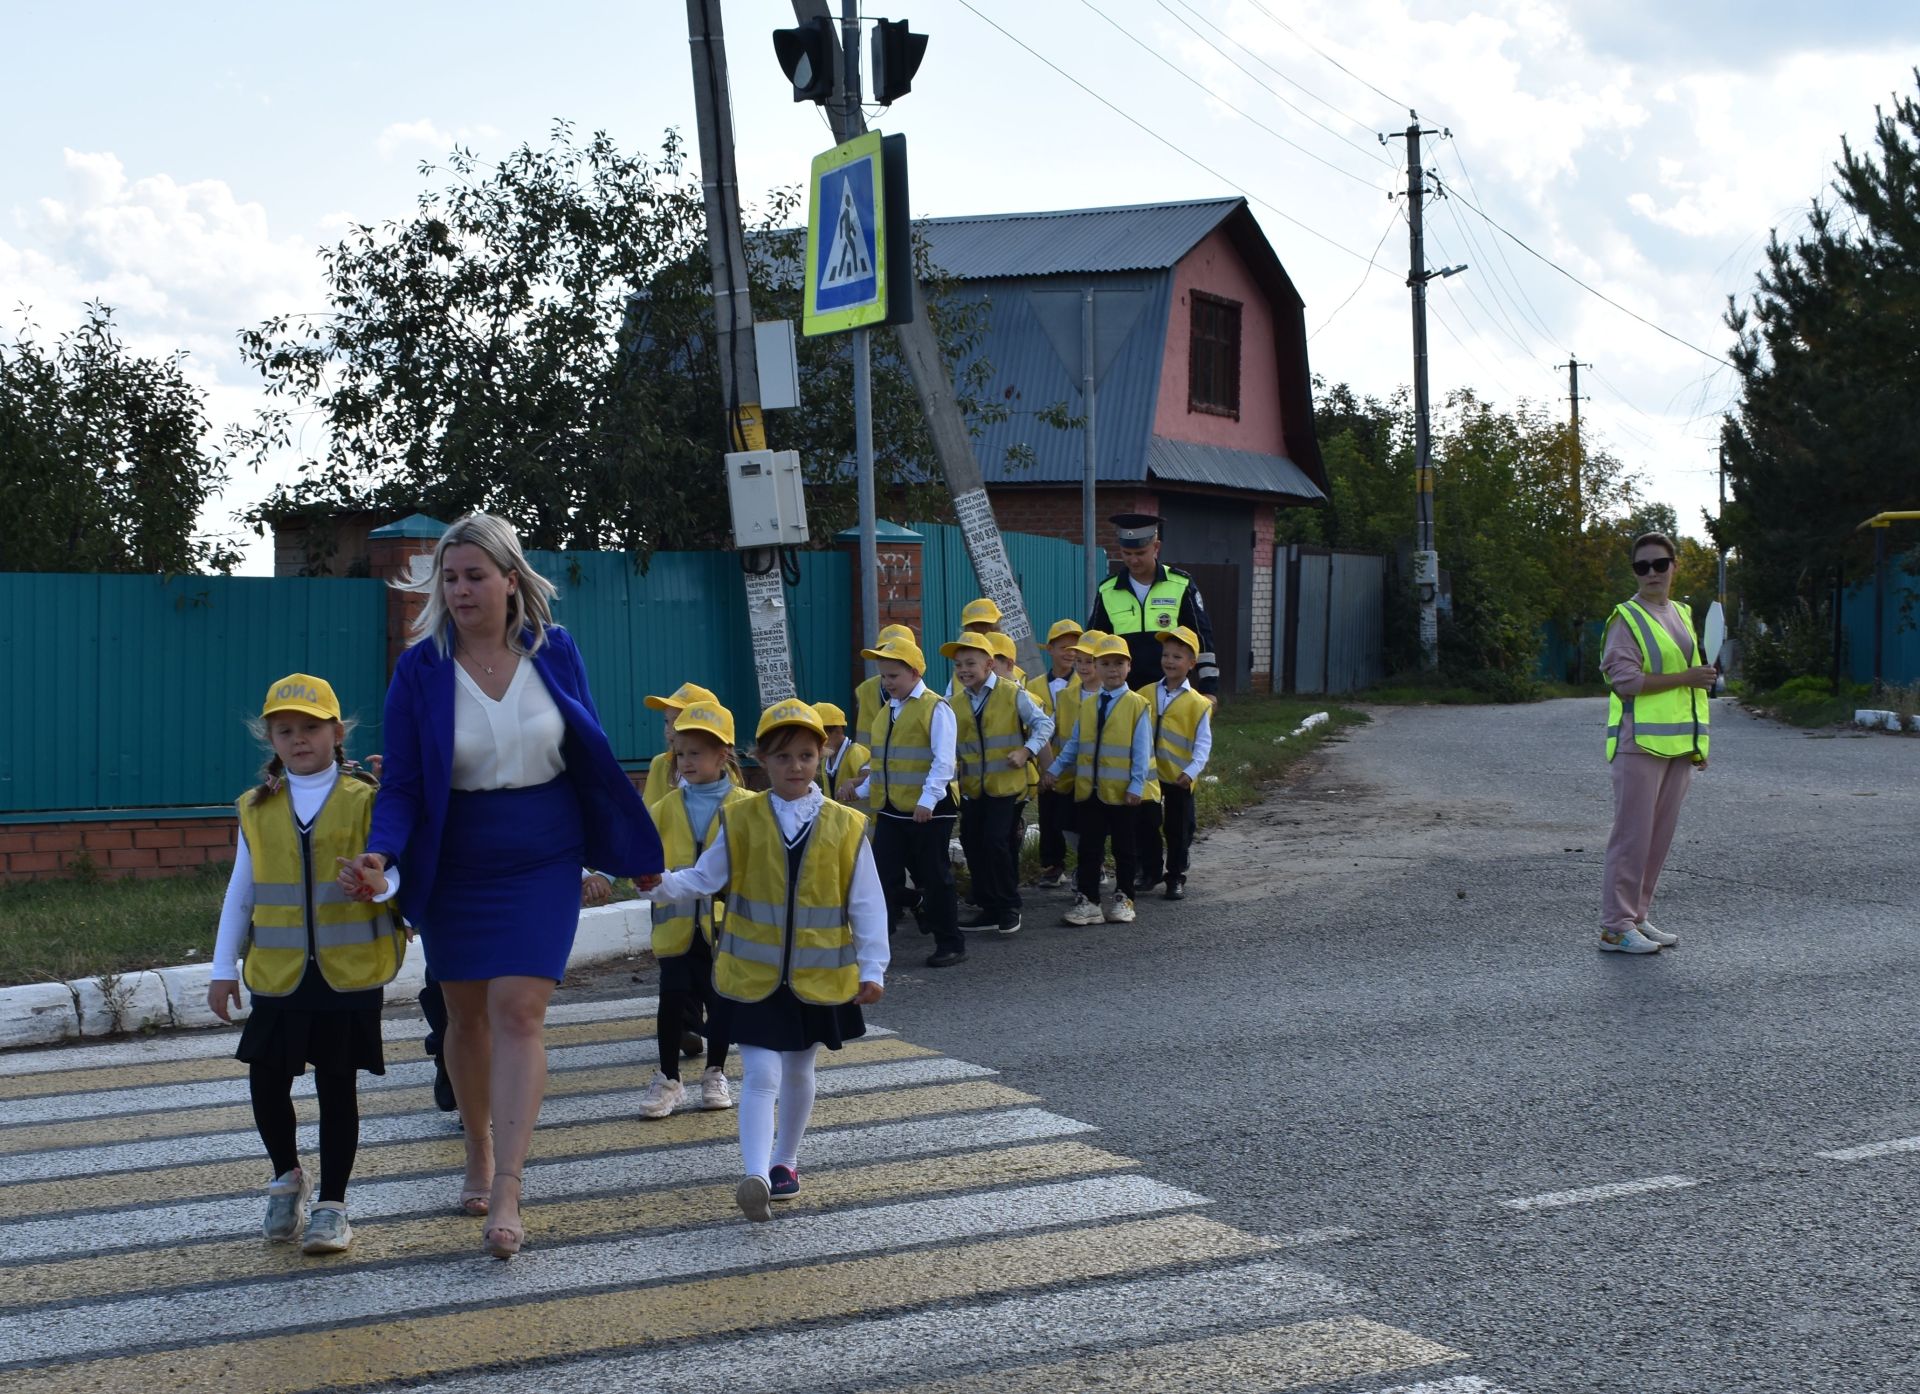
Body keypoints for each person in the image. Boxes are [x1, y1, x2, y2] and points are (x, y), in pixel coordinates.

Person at [340, 512, 664, 1259]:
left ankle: (509, 1186)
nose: (459, 590)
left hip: (543, 852)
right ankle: (477, 1148)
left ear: (510, 580)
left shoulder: (557, 651)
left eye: (474, 576)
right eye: (448, 579)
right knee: (465, 1017)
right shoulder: (419, 669)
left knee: (519, 1009)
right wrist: (382, 856)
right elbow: (406, 787)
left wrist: (610, 852)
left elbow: (588, 753)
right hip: (456, 859)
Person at [636, 700, 888, 1221]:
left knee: (798, 1070)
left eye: (805, 755)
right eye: (781, 757)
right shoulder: (742, 816)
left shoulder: (846, 826)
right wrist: (657, 885)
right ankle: (753, 1174)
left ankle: (785, 1163)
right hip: (750, 975)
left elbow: (866, 902)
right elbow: (704, 878)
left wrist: (873, 968)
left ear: (821, 756)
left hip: (816, 975)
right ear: (759, 760)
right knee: (760, 1074)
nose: (794, 766)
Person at [208, 674, 408, 1256]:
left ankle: (334, 1206)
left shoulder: (366, 799)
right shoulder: (257, 807)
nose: (299, 739)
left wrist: (376, 886)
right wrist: (223, 967)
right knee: (266, 1078)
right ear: (269, 737)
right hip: (278, 971)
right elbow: (239, 893)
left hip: (348, 972)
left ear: (337, 733)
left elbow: (397, 876)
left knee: (336, 1087)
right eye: (285, 729)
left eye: (312, 728)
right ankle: (287, 1177)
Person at [1599, 531, 1713, 954]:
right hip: (1638, 745)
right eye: (1641, 566)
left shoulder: (1681, 613)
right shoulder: (1625, 618)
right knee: (1632, 837)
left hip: (1677, 747)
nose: (1651, 573)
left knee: (1658, 837)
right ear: (1635, 572)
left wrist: (1697, 744)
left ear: (1673, 567)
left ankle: (1637, 918)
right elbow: (1623, 681)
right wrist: (1688, 676)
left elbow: (1693, 691)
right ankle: (1614, 927)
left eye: (1659, 564)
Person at [639, 700, 751, 1119]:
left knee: (720, 1000)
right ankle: (668, 1077)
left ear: (723, 754)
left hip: (727, 928)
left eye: (695, 753)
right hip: (675, 924)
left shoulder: (746, 805)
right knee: (671, 999)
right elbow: (642, 855)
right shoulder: (664, 808)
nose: (685, 762)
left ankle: (715, 1071)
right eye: (680, 753)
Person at [860, 634, 964, 968]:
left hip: (929, 811)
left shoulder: (936, 708)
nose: (887, 683)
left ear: (915, 673)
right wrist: (860, 789)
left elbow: (943, 761)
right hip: (892, 809)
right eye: (883, 676)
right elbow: (885, 765)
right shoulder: (887, 711)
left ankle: (951, 942)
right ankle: (883, 938)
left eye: (894, 676)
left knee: (935, 876)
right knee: (880, 876)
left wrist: (928, 800)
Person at [942, 633, 1054, 937]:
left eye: (970, 663)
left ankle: (1009, 906)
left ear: (990, 664)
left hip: (1006, 786)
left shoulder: (1012, 693)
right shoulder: (955, 702)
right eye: (958, 665)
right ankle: (989, 908)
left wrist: (1026, 751)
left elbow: (1045, 723)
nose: (963, 670)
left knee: (996, 841)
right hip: (973, 788)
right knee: (971, 841)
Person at [1043, 633, 1155, 926]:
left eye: (1119, 663)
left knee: (1124, 848)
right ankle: (1089, 902)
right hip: (1090, 791)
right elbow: (1075, 743)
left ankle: (1124, 898)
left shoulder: (1137, 704)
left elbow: (1142, 751)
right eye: (1105, 663)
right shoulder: (1089, 704)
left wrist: (1135, 785)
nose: (1112, 669)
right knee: (1089, 849)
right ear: (1097, 667)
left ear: (1129, 667)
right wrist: (1055, 768)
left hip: (1122, 794)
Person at [1087, 513, 1220, 696]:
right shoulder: (1107, 590)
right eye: (1127, 553)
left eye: (1140, 553)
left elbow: (1202, 640)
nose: (1133, 560)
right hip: (1121, 695)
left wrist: (1209, 689)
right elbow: (1094, 644)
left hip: (1169, 694)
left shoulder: (1181, 585)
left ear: (1156, 547)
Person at [1136, 625, 1214, 901]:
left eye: (1177, 657)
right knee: (1146, 823)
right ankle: (1150, 870)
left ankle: (1175, 875)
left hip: (1180, 776)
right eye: (1166, 655)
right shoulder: (1144, 693)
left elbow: (1203, 744)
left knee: (1179, 828)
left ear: (1191, 664)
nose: (1169, 661)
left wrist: (1191, 771)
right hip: (1148, 775)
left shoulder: (1198, 703)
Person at [1031, 620, 1084, 889]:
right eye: (1063, 647)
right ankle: (1053, 865)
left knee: (1079, 817)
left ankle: (1089, 864)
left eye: (1075, 648)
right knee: (1049, 815)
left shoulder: (1086, 684)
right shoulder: (1034, 685)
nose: (1070, 653)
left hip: (1076, 765)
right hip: (1045, 762)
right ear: (1049, 649)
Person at [643, 682, 726, 806]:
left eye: (678, 721)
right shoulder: (659, 764)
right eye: (666, 721)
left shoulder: (724, 769)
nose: (668, 729)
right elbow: (649, 814)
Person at [814, 701, 870, 802]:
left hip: (862, 817)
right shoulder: (825, 759)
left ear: (838, 730)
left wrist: (852, 782)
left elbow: (872, 778)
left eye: (821, 737)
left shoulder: (855, 752)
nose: (817, 743)